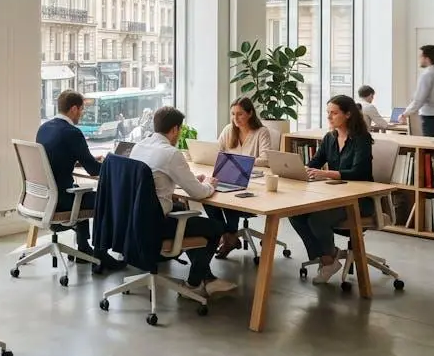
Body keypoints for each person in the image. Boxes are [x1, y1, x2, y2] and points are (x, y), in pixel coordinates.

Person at [129, 106, 233, 297]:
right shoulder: (171, 153)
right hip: (154, 225)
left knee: (183, 210)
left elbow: (156, 180)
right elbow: (199, 194)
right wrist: (209, 184)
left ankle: (206, 276)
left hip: (133, 219)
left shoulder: (139, 146)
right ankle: (194, 284)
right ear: (175, 129)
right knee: (215, 227)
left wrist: (191, 179)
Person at [292, 96, 375, 284]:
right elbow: (315, 163)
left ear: (348, 114)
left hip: (359, 201)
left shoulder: (362, 139)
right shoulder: (330, 137)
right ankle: (328, 257)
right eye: (328, 113)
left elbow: (358, 172)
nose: (329, 117)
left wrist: (327, 174)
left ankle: (328, 258)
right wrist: (300, 169)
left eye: (334, 113)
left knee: (317, 218)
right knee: (295, 214)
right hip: (335, 196)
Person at [35, 90, 104, 260]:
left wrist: (80, 159)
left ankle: (83, 248)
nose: (82, 114)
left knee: (80, 192)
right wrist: (114, 165)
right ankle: (102, 252)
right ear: (74, 109)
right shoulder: (72, 133)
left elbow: (54, 157)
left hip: (42, 198)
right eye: (82, 110)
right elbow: (94, 170)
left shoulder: (44, 128)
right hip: (62, 201)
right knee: (105, 198)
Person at [212, 97, 272, 259]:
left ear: (250, 113)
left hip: (252, 182)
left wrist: (240, 162)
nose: (235, 118)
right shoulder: (228, 130)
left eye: (240, 114)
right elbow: (216, 153)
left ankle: (228, 237)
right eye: (233, 114)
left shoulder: (261, 132)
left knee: (230, 198)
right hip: (229, 177)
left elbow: (266, 159)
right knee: (207, 197)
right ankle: (228, 236)